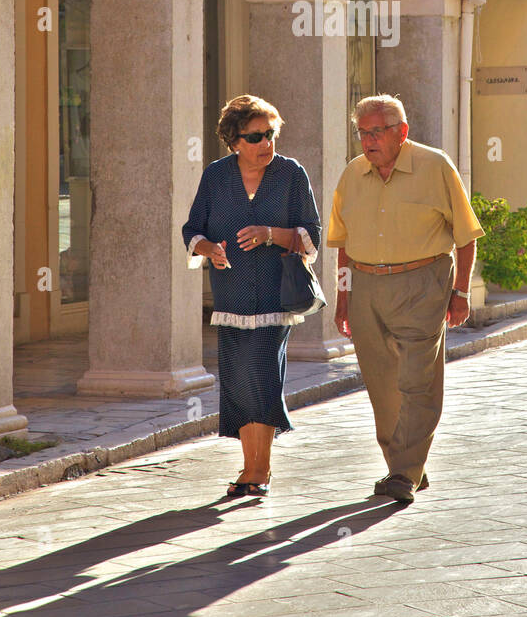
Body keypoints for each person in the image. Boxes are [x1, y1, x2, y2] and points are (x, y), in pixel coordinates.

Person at [327, 94, 485, 504]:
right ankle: (407, 464)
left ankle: (402, 473)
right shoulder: (352, 174)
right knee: (382, 384)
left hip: (423, 282)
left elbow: (466, 237)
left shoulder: (435, 166)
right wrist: (343, 298)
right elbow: (342, 244)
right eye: (362, 132)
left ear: (402, 132)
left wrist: (461, 292)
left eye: (377, 131)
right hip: (364, 285)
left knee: (418, 380)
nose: (368, 140)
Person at [183, 94, 321, 498]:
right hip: (230, 299)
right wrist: (210, 249)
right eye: (256, 136)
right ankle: (250, 468)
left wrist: (270, 234)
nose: (266, 144)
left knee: (262, 376)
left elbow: (310, 236)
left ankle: (258, 471)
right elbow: (192, 230)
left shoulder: (291, 174)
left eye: (271, 134)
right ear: (235, 140)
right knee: (239, 381)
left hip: (277, 298)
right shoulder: (216, 176)